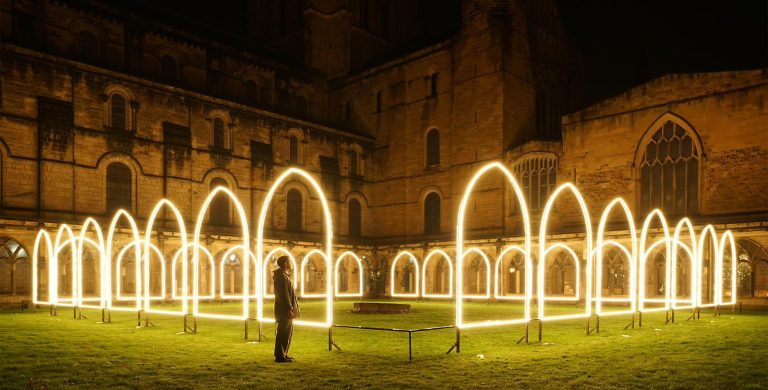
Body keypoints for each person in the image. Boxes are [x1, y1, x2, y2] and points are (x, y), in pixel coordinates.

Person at [273, 255, 299, 363]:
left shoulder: (284, 275)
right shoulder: (280, 277)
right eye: (289, 262)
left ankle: (284, 354)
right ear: (285, 264)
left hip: (288, 309)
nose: (291, 263)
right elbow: (283, 294)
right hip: (285, 310)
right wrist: (289, 308)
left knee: (287, 332)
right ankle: (279, 356)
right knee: (282, 332)